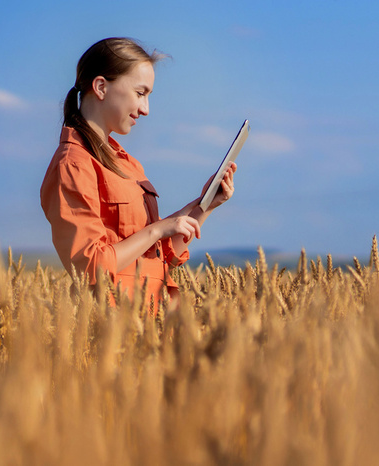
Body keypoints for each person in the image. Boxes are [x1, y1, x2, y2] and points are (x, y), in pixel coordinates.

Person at [40, 37, 236, 313]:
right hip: (110, 330)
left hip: (153, 322)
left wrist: (205, 204)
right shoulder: (73, 165)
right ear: (101, 87)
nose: (145, 109)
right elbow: (92, 265)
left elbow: (159, 254)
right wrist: (157, 229)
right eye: (140, 93)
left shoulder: (128, 164)